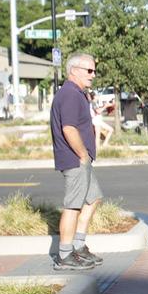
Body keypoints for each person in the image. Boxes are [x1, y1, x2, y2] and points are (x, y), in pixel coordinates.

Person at [49, 52, 105, 271]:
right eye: (89, 70)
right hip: (75, 160)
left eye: (94, 70)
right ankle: (64, 255)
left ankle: (78, 246)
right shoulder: (70, 94)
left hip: (81, 160)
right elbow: (69, 128)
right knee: (73, 206)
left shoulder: (76, 93)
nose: (93, 74)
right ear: (74, 70)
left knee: (93, 199)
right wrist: (82, 155)